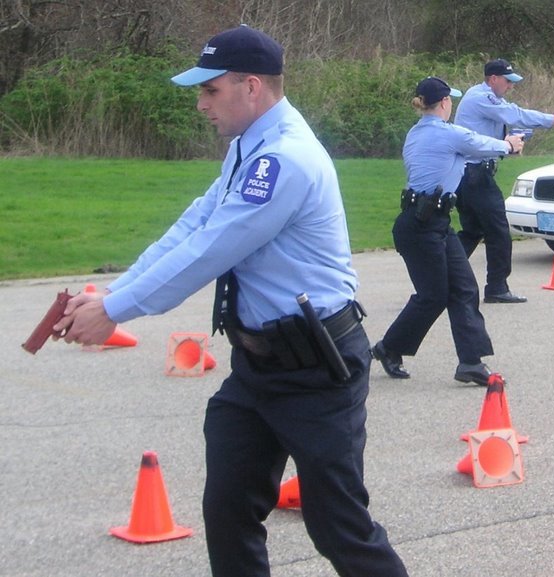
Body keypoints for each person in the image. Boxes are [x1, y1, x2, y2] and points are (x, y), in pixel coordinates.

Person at [53, 25, 409, 577]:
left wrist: (115, 312)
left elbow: (212, 250)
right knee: (227, 511)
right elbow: (195, 224)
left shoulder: (284, 158)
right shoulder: (252, 145)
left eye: (210, 90)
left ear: (251, 87)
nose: (201, 104)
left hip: (317, 371)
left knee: (340, 528)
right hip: (258, 369)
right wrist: (114, 292)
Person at [371, 76, 524, 384]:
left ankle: (470, 362)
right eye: (449, 100)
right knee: (433, 296)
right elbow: (479, 143)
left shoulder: (419, 132)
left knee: (464, 288)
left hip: (435, 222)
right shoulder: (446, 134)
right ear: (444, 103)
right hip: (420, 226)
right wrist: (509, 144)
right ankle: (388, 348)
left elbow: (471, 150)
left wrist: (501, 148)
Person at [454, 58, 554, 304]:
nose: (511, 86)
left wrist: (510, 142)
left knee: (472, 231)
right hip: (475, 175)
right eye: (507, 81)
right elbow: (516, 115)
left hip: (468, 174)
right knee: (499, 232)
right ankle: (496, 288)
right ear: (493, 79)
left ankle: (439, 280)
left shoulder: (485, 97)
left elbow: (505, 121)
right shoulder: (482, 97)